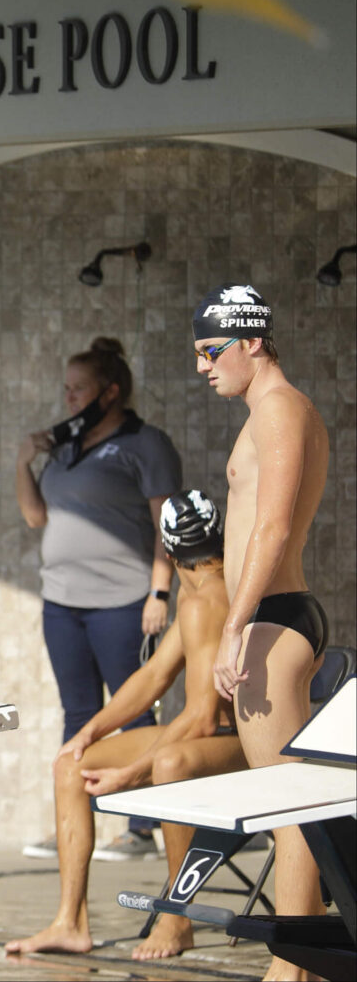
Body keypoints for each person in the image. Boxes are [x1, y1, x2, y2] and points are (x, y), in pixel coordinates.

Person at [5, 488, 247, 959]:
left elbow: (201, 719)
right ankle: (69, 922)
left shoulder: (207, 600)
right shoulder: (202, 592)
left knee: (171, 762)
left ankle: (177, 918)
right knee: (70, 764)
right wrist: (90, 732)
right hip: (208, 738)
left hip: (237, 747)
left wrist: (131, 772)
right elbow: (154, 675)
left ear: (171, 551)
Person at [194, 285, 330, 982]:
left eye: (211, 350)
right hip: (277, 616)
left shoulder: (279, 409)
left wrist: (234, 625)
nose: (202, 365)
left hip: (272, 619)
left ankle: (292, 963)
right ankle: (299, 960)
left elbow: (272, 528)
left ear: (252, 341)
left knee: (289, 803)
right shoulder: (272, 411)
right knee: (288, 798)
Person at [15, 336, 182, 861]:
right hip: (62, 603)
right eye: (65, 389)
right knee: (79, 712)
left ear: (109, 392)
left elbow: (168, 528)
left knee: (133, 714)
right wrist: (24, 463)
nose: (68, 398)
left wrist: (160, 591)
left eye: (78, 388)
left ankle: (142, 827)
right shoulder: (64, 447)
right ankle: (76, 820)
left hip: (124, 602)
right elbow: (35, 517)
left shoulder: (145, 443)